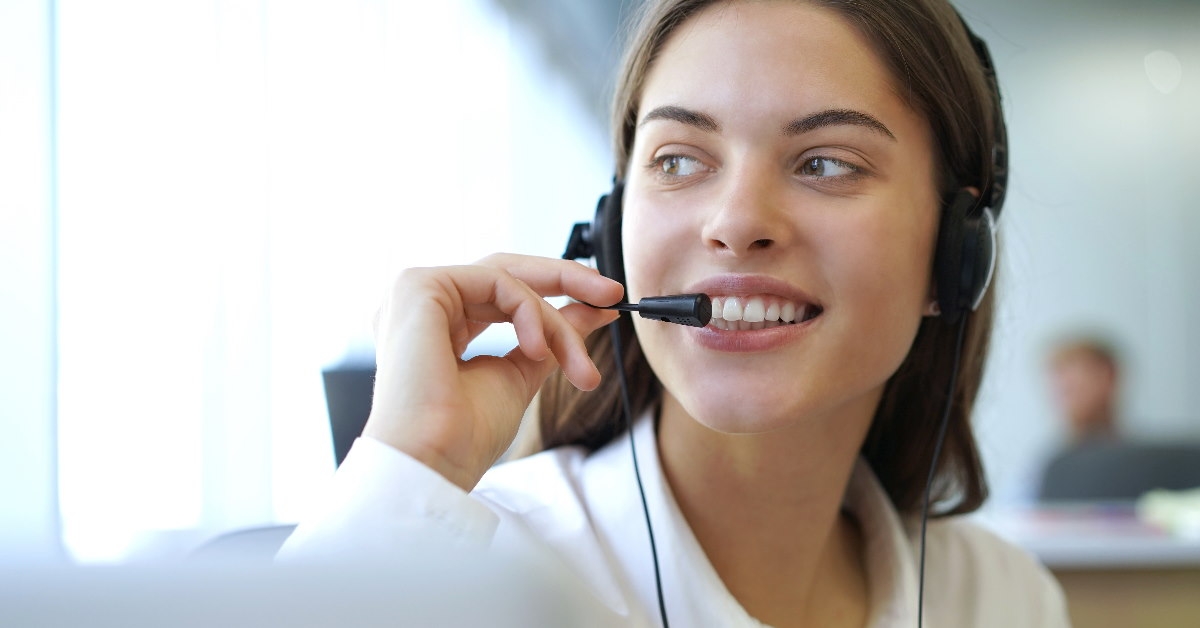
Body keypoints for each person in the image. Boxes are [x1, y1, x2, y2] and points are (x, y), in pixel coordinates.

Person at [279, 1, 1069, 625]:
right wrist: (413, 461)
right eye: (679, 159)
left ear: (954, 254)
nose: (733, 220)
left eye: (826, 162)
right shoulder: (480, 574)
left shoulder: (1000, 601)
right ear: (614, 234)